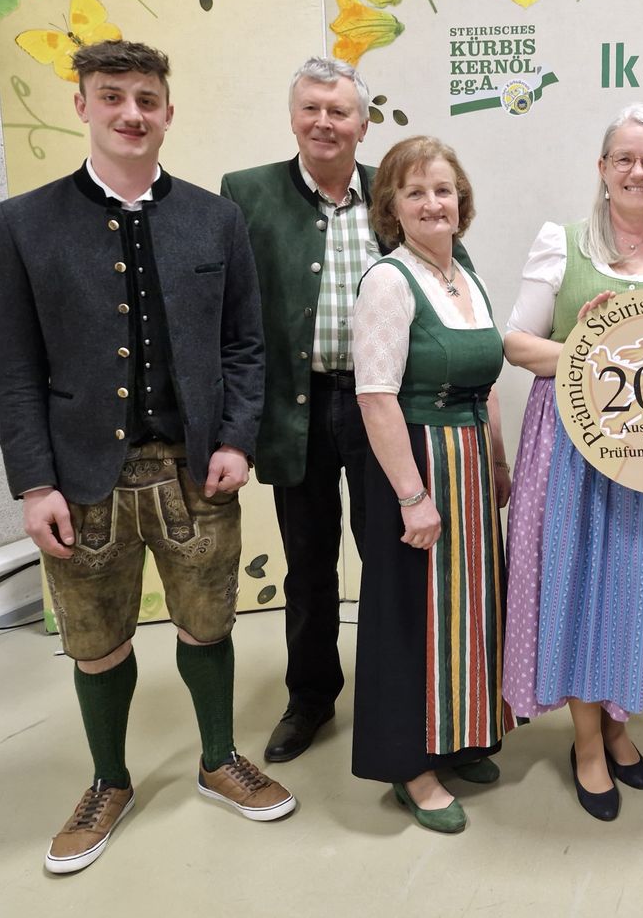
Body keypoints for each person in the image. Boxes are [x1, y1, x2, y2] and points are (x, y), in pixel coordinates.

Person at [0, 40, 295, 875]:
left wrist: (236, 437)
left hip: (195, 472)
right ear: (81, 105)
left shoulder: (216, 218)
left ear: (168, 111)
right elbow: (13, 366)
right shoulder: (22, 223)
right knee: (95, 640)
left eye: (146, 98)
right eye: (112, 95)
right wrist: (34, 483)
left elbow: (244, 343)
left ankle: (218, 757)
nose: (131, 112)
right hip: (81, 480)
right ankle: (108, 781)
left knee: (209, 623)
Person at [503, 103, 643, 822]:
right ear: (602, 170)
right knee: (577, 590)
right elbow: (517, 343)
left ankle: (620, 723)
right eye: (623, 158)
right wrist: (593, 350)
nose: (637, 171)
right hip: (572, 451)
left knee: (635, 590)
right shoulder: (562, 243)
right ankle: (588, 742)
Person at [350, 136, 513, 834]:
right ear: (391, 207)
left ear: (461, 199)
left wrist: (498, 462)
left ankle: (460, 736)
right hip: (415, 464)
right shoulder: (389, 281)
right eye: (414, 192)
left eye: (443, 190)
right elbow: (375, 397)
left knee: (470, 606)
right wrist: (412, 497)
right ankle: (410, 765)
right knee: (410, 615)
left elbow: (487, 382)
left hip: (470, 464)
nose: (432, 203)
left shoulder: (465, 273)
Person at [220, 58, 380, 763]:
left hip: (381, 410)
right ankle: (311, 696)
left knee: (390, 557)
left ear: (363, 124)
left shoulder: (394, 190)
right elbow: (229, 313)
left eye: (339, 111)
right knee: (309, 563)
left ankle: (394, 691)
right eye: (311, 108)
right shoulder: (247, 193)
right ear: (293, 117)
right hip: (297, 408)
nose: (324, 122)